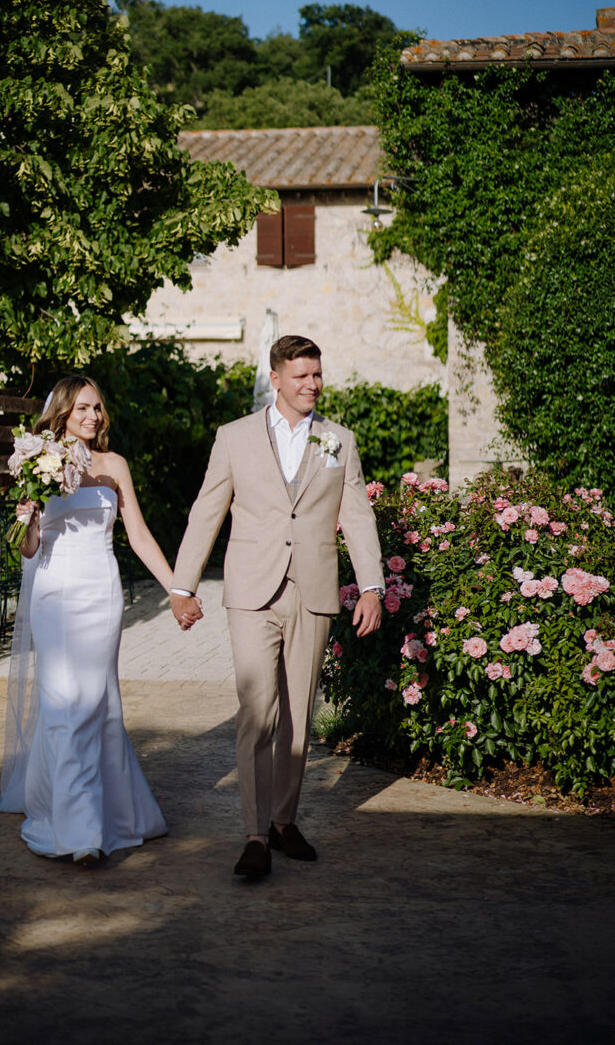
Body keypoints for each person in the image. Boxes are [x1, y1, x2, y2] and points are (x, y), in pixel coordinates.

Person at [170, 336, 384, 879]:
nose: (312, 384)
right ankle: (254, 834)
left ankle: (285, 822)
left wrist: (372, 587)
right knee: (257, 712)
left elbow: (356, 518)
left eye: (317, 374)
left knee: (297, 718)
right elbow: (206, 511)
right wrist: (182, 585)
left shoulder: (340, 441)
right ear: (275, 378)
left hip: (312, 591)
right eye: (301, 376)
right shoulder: (235, 437)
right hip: (250, 592)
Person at [0, 375, 201, 867]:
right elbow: (27, 548)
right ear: (63, 412)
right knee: (66, 703)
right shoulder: (37, 464)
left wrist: (179, 589)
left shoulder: (116, 466)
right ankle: (80, 833)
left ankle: (112, 815)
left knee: (98, 699)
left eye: (98, 409)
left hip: (101, 592)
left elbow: (139, 534)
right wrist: (27, 516)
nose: (93, 416)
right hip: (53, 592)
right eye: (84, 408)